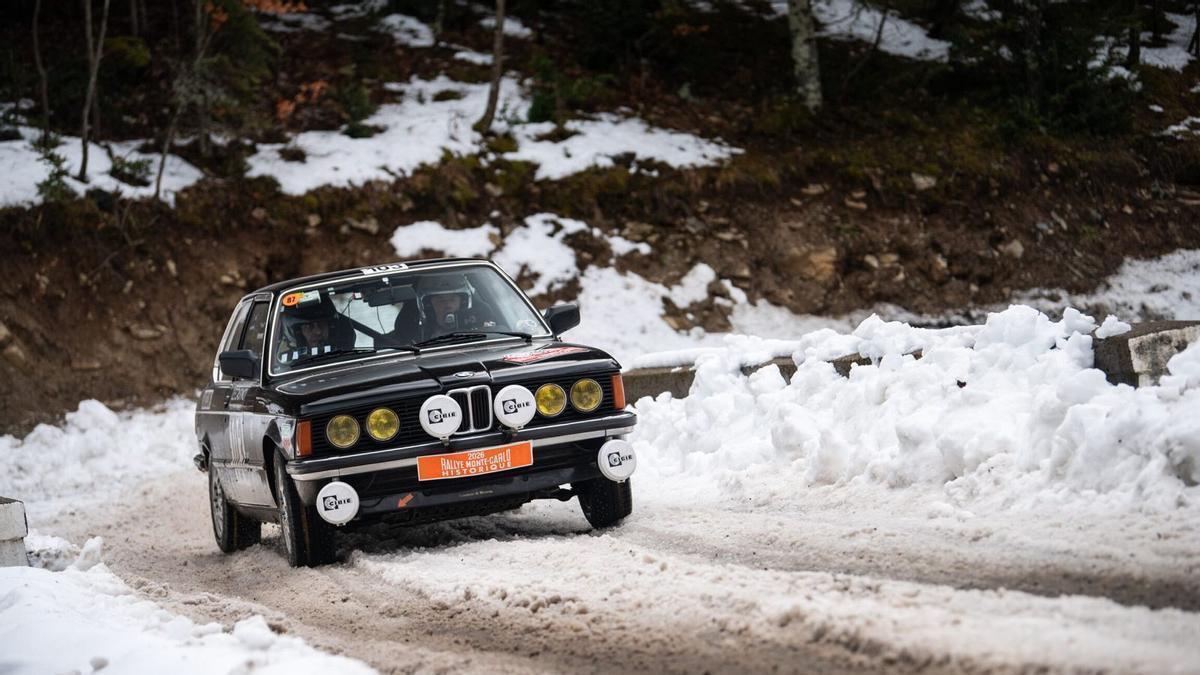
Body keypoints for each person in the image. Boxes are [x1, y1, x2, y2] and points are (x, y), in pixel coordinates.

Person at [416, 274, 495, 340]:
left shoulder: (481, 330)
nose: (448, 305)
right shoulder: (417, 340)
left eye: (453, 299)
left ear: (463, 303)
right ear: (428, 307)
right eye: (440, 301)